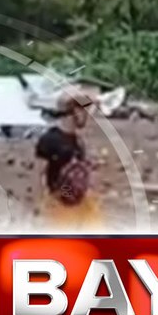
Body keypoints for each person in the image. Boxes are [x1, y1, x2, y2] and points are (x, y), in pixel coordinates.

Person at [35, 90, 104, 230]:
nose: (87, 117)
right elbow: (39, 175)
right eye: (85, 111)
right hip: (59, 205)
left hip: (80, 203)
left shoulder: (78, 142)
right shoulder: (49, 140)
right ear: (76, 111)